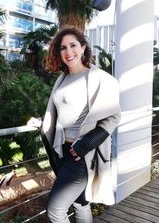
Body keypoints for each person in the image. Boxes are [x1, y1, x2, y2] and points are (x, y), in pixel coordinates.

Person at [27, 26, 121, 223]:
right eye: (63, 48)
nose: (68, 52)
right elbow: (62, 113)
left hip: (81, 156)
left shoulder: (98, 78)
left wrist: (85, 144)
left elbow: (113, 117)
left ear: (84, 47)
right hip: (62, 151)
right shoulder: (62, 79)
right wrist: (43, 122)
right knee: (80, 204)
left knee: (55, 211)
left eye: (73, 45)